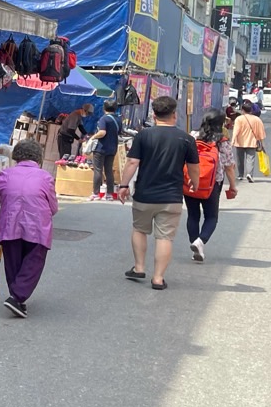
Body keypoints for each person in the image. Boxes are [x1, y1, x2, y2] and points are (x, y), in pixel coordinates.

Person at [116, 96, 199, 291]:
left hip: (144, 194)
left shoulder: (143, 136)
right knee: (165, 238)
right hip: (171, 197)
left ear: (154, 115)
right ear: (174, 114)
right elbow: (194, 167)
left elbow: (132, 162)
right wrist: (195, 184)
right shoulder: (186, 139)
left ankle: (139, 267)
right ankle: (158, 278)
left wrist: (123, 185)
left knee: (139, 229)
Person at [0, 139, 58, 318]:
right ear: (38, 157)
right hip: (38, 227)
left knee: (13, 261)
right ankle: (17, 297)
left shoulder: (6, 174)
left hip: (10, 224)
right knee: (34, 262)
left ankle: (16, 297)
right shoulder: (45, 177)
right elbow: (53, 208)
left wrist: (0, 197)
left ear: (16, 156)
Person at [185, 108, 238, 263]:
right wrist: (233, 186)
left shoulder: (192, 136)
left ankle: (196, 245)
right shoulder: (222, 141)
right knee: (211, 217)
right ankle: (200, 242)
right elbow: (229, 167)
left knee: (193, 215)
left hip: (191, 181)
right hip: (212, 184)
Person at [89, 100, 123, 201]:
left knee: (98, 170)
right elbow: (119, 133)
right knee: (109, 171)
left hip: (101, 148)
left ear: (104, 108)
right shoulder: (118, 120)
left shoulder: (104, 119)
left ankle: (96, 193)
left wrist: (93, 137)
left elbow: (102, 132)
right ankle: (109, 194)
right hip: (112, 148)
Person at [231, 100, 266, 181]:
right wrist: (262, 143)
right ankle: (249, 174)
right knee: (250, 159)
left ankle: (240, 175)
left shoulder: (239, 119)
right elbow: (261, 132)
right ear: (251, 110)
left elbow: (236, 131)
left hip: (240, 142)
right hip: (252, 142)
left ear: (242, 110)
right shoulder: (257, 119)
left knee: (240, 159)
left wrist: (233, 141)